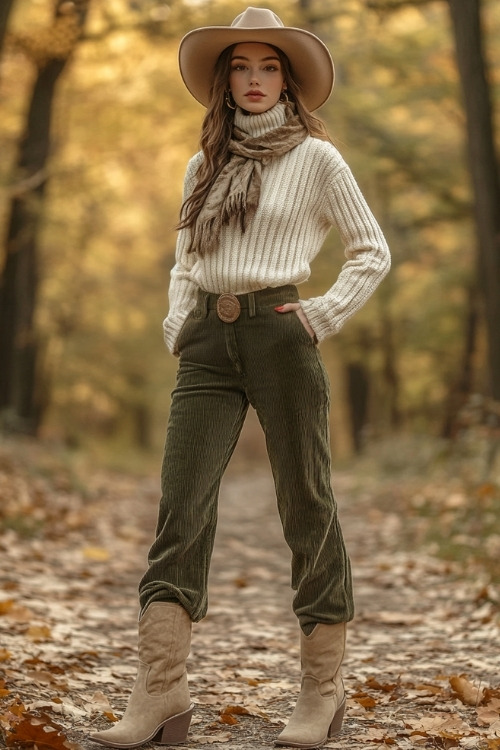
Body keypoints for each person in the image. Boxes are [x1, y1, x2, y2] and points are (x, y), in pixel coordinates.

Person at [90, 6, 390, 750]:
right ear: (225, 81)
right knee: (180, 506)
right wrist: (177, 324)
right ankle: (160, 691)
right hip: (206, 343)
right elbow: (184, 260)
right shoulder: (205, 164)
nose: (254, 81)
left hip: (282, 334)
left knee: (306, 503)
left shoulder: (319, 160)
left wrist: (317, 317)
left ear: (287, 80)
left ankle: (322, 693)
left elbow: (371, 251)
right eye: (241, 68)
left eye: (268, 68)